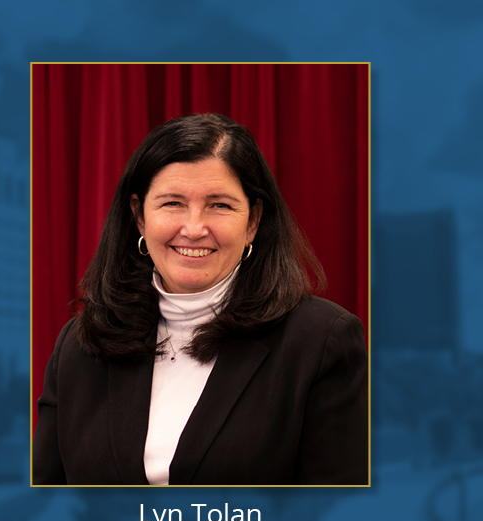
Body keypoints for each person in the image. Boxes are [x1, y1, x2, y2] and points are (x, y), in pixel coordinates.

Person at [32, 113, 367, 486]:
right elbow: (47, 504)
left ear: (252, 221)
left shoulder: (321, 342)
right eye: (172, 203)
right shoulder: (79, 346)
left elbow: (335, 518)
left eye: (219, 205)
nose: (193, 228)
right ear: (139, 217)